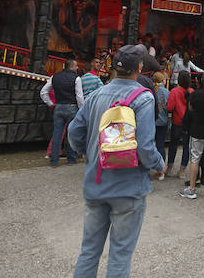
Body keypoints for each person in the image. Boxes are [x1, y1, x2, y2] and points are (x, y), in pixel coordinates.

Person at [66, 45, 165, 278]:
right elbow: (145, 147)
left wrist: (89, 153)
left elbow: (73, 132)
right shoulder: (143, 97)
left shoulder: (96, 95)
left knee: (89, 251)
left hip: (96, 183)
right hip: (128, 188)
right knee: (120, 255)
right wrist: (159, 165)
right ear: (140, 68)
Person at [40, 59, 84, 167]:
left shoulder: (54, 77)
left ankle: (54, 161)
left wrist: (50, 103)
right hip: (72, 107)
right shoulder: (76, 79)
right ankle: (71, 159)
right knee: (70, 134)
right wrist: (82, 109)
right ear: (72, 67)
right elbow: (79, 96)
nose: (77, 68)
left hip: (59, 106)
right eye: (76, 66)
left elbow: (43, 92)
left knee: (57, 134)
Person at [166, 71, 193, 179]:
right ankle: (182, 170)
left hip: (177, 121)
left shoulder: (174, 91)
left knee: (173, 144)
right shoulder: (192, 91)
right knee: (186, 146)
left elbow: (170, 107)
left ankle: (169, 167)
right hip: (188, 123)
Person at [153, 72, 170, 167]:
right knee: (161, 145)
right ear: (163, 80)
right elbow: (169, 107)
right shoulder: (166, 92)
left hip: (152, 121)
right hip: (163, 121)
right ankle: (161, 167)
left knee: (151, 144)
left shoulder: (151, 91)